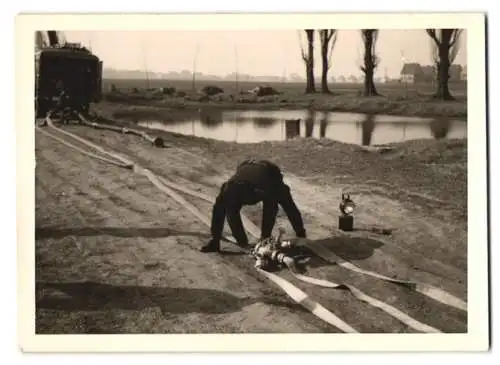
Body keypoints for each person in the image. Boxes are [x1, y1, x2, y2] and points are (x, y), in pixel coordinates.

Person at [200, 159, 307, 253]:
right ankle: (246, 240)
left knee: (284, 203)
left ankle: (299, 235)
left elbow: (271, 210)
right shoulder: (231, 187)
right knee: (231, 208)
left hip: (264, 178)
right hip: (249, 182)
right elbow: (220, 210)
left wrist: (258, 239)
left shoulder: (269, 183)